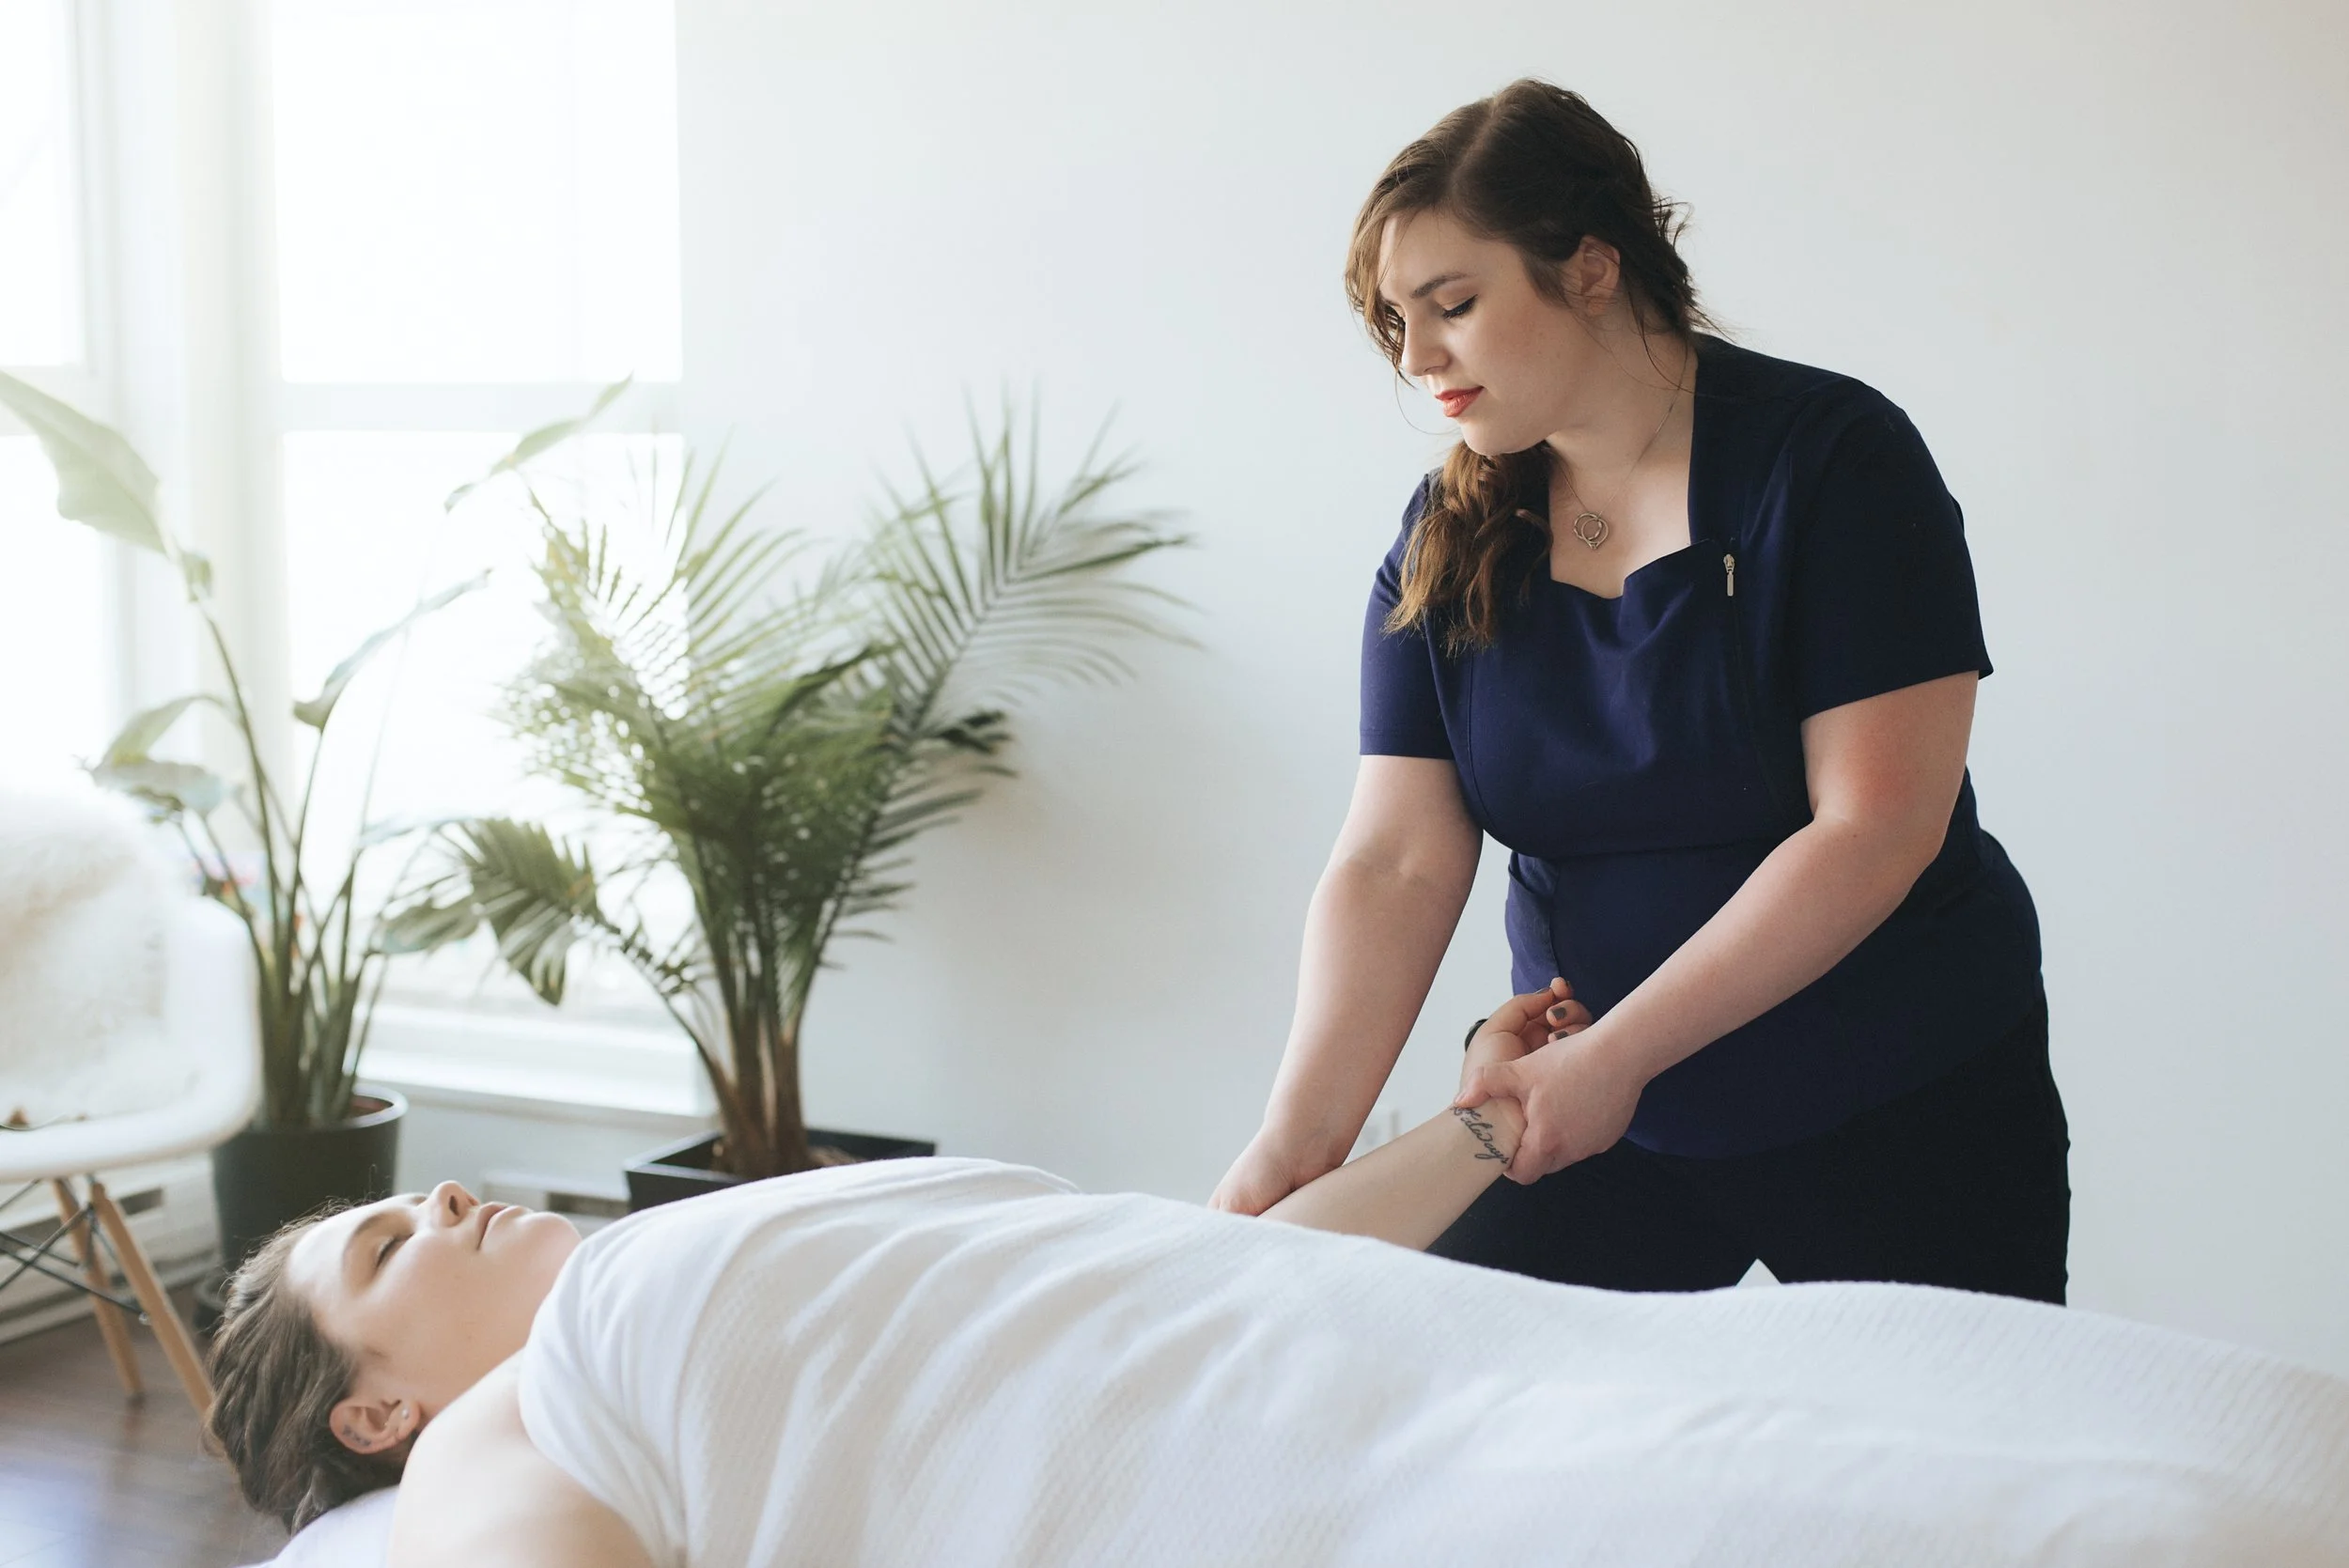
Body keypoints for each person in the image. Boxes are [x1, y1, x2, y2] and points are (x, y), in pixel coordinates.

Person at [201, 984, 2349, 1567]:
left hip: (1428, 1351)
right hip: (1322, 1494)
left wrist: (1481, 1125)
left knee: (2169, 1446)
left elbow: (1183, 1270)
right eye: (383, 1244)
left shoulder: (748, 1228)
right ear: (379, 1408)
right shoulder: (524, 1408)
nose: (438, 1199)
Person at [1209, 78, 2063, 1306]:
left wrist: (1622, 1053)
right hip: (1588, 1106)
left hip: (1893, 1089)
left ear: (1593, 269)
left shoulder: (1834, 463)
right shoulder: (1450, 532)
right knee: (1478, 1399)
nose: (1415, 356)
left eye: (1454, 304)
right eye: (1394, 319)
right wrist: (1298, 1139)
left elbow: (1875, 828)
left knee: (1948, 1425)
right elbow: (1395, 860)